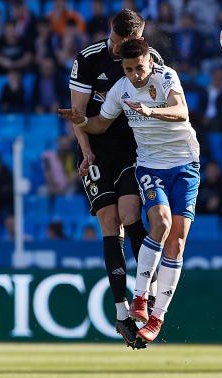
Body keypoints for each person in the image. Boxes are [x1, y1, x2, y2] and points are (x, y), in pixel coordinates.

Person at [59, 37, 200, 346]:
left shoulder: (166, 77)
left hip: (185, 163)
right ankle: (138, 298)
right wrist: (79, 120)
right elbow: (99, 124)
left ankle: (157, 316)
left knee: (176, 239)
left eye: (139, 68)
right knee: (159, 223)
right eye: (128, 69)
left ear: (150, 61)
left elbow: (180, 111)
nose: (135, 75)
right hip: (150, 165)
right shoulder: (120, 90)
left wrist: (150, 112)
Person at [68, 9, 162, 349]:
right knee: (109, 220)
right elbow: (77, 114)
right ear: (112, 33)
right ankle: (122, 312)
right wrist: (86, 151)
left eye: (130, 43)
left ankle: (145, 293)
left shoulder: (150, 60)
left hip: (132, 150)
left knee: (130, 213)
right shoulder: (89, 59)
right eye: (120, 42)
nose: (124, 49)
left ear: (142, 35)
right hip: (94, 147)